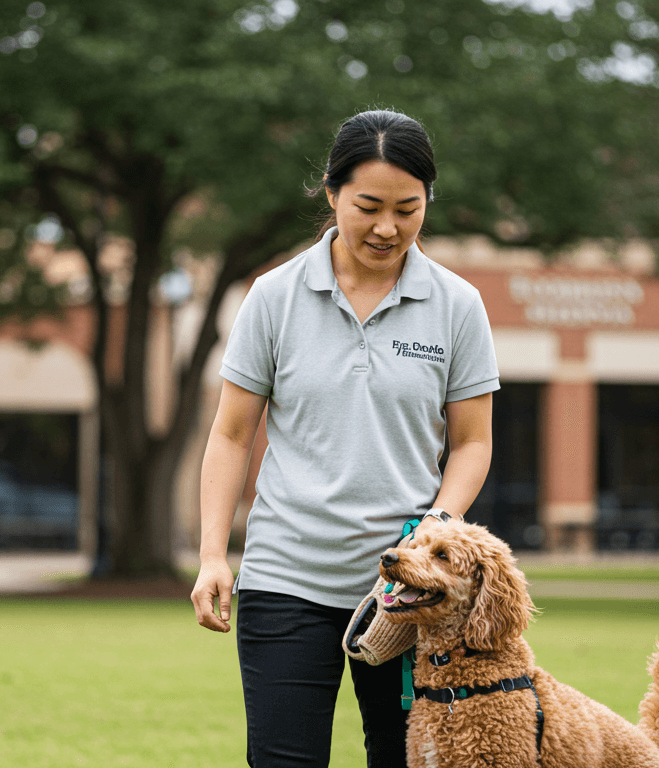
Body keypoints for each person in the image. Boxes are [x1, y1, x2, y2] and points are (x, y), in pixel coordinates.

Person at [190, 110, 498, 768]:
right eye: (368, 206)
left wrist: (438, 525)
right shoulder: (273, 297)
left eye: (407, 208)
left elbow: (472, 442)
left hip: (408, 595)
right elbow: (230, 433)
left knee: (404, 759)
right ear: (331, 193)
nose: (387, 227)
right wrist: (214, 554)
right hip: (285, 580)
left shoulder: (457, 305)